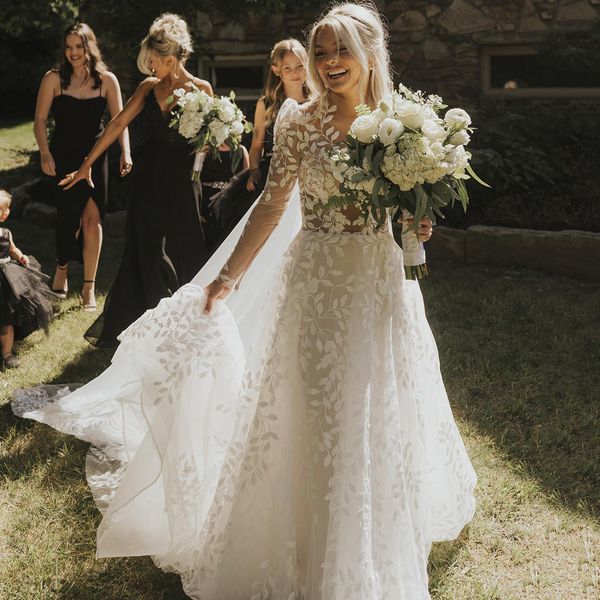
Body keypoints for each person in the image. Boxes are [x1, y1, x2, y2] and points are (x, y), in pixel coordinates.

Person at [13, 3, 476, 598]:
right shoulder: (296, 121)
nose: (331, 63)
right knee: (313, 405)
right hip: (316, 278)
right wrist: (225, 279)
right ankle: (305, 541)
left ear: (368, 54)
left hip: (378, 282)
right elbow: (274, 204)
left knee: (375, 405)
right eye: (322, 52)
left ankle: (367, 539)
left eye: (342, 52)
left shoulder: (400, 122)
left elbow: (404, 206)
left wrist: (418, 222)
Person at [60, 13, 213, 347]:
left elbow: (211, 141)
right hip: (147, 183)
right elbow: (116, 125)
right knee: (148, 252)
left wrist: (222, 140)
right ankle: (149, 324)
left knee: (185, 250)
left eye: (155, 61)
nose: (150, 67)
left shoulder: (202, 90)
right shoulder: (147, 88)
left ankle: (189, 325)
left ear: (172, 59)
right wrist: (87, 164)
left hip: (183, 185)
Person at [34, 22, 131, 311]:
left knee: (93, 219)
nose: (73, 52)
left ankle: (88, 287)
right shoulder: (53, 79)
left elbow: (119, 121)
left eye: (79, 46)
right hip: (62, 156)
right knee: (68, 220)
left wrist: (125, 151)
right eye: (69, 47)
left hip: (96, 155)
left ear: (90, 47)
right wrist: (44, 153)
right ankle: (62, 266)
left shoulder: (107, 80)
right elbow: (40, 120)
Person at [207, 38, 312, 250]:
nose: (295, 73)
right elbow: (257, 145)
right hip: (274, 171)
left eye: (300, 66)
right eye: (288, 68)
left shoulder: (317, 100)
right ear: (276, 71)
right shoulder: (267, 104)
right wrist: (254, 170)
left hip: (310, 172)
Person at [0, 191, 54, 370]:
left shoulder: (6, 233)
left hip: (6, 279)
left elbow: (12, 249)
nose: (3, 212)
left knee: (6, 319)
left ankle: (7, 353)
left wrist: (21, 256)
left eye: (2, 209)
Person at [199, 144, 249, 250]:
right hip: (206, 201)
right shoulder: (205, 148)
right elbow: (195, 177)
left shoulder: (240, 150)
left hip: (229, 203)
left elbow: (246, 179)